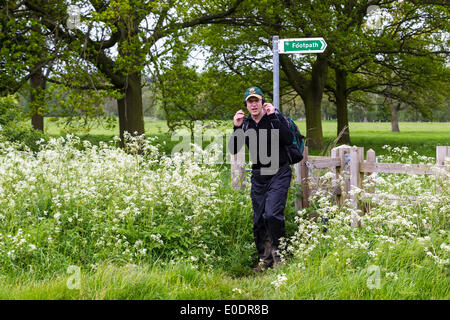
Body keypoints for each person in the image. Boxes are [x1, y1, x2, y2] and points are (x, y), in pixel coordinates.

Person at [228, 86, 294, 272]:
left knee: (272, 214)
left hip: (279, 173)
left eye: (256, 100)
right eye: (250, 101)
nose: (254, 104)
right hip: (259, 177)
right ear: (246, 105)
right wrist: (236, 127)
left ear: (262, 102)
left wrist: (273, 117)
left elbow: (288, 139)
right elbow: (234, 149)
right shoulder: (246, 123)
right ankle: (265, 261)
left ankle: (281, 258)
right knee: (259, 219)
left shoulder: (273, 118)